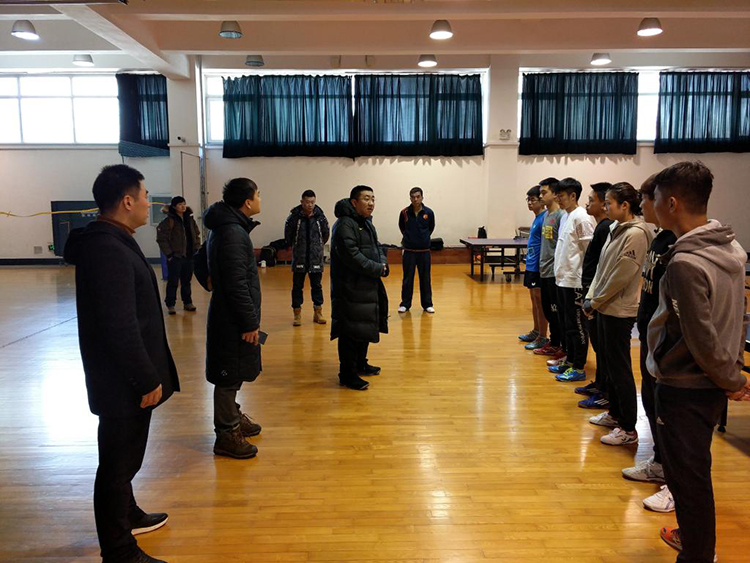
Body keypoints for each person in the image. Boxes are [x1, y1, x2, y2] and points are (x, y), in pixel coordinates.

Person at [64, 164, 179, 563]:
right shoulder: (106, 249)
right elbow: (119, 325)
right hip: (121, 382)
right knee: (115, 467)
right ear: (127, 201)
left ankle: (128, 514)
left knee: (123, 460)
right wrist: (145, 377)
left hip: (122, 379)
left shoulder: (113, 240)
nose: (150, 203)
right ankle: (118, 550)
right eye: (146, 196)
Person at [646, 161, 750, 562]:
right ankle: (694, 541)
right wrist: (731, 372)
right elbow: (737, 318)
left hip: (685, 387)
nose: (651, 205)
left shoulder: (684, 264)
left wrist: (731, 378)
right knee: (693, 472)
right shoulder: (731, 249)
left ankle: (698, 553)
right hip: (711, 383)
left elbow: (700, 336)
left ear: (672, 203)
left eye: (655, 198)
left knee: (687, 480)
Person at [621, 174, 677, 512]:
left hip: (668, 348)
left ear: (668, 202)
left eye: (647, 199)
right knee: (652, 405)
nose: (644, 205)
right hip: (649, 336)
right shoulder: (659, 239)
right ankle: (659, 463)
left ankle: (674, 482)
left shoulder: (678, 245)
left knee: (669, 414)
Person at [584, 183, 652, 446]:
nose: (605, 207)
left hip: (619, 310)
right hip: (603, 305)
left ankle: (628, 428)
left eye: (609, 203)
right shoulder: (615, 228)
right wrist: (592, 297)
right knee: (608, 365)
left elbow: (621, 276)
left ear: (625, 205)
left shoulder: (636, 233)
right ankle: (614, 414)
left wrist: (596, 300)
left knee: (619, 368)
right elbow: (602, 269)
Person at [203, 178, 263, 460]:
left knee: (235, 369)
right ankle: (226, 434)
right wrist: (249, 323)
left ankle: (233, 417)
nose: (260, 199)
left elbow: (203, 264)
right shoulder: (232, 232)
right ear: (247, 202)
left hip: (230, 314)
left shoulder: (227, 227)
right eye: (258, 195)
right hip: (232, 319)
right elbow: (236, 283)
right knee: (228, 374)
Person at [330, 185, 389, 391]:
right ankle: (347, 373)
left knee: (364, 326)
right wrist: (377, 268)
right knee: (350, 331)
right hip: (350, 288)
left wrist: (382, 263)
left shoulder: (366, 223)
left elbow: (377, 247)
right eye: (366, 198)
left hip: (367, 284)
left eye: (373, 199)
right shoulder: (344, 224)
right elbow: (352, 256)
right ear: (354, 202)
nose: (371, 203)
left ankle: (360, 363)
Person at [551, 178, 596, 382]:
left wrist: (586, 282)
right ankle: (569, 361)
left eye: (561, 196)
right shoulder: (566, 216)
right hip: (563, 280)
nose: (558, 199)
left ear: (573, 196)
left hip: (575, 282)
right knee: (567, 324)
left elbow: (589, 252)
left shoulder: (582, 217)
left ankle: (578, 367)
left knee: (578, 326)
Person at [575, 182, 614, 409]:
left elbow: (603, 266)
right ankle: (599, 383)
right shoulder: (601, 227)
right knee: (598, 345)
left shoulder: (605, 228)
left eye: (592, 200)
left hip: (596, 296)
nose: (587, 203)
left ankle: (606, 391)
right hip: (590, 291)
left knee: (603, 347)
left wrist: (593, 297)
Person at [284, 189, 330, 326]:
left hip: (316, 258)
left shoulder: (320, 217)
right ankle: (297, 314)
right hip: (299, 257)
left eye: (312, 202)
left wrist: (317, 247)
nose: (310, 205)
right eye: (307, 202)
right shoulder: (293, 218)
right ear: (302, 202)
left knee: (317, 286)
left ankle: (318, 312)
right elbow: (288, 236)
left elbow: (326, 235)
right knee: (297, 286)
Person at [537, 178, 567, 364]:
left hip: (555, 273)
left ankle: (560, 344)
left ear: (555, 194)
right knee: (548, 310)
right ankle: (553, 341)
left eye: (544, 192)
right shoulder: (546, 215)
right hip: (544, 270)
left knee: (556, 313)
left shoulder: (562, 216)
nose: (541, 196)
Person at [156, 196, 201, 315]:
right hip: (175, 257)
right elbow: (161, 239)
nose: (183, 206)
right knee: (173, 281)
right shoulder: (169, 221)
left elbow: (196, 234)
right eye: (180, 204)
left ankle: (187, 302)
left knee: (187, 281)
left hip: (189, 256)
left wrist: (196, 248)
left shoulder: (190, 220)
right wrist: (169, 254)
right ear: (174, 206)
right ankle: (170, 304)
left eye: (184, 203)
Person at [518, 185, 548, 350]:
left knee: (540, 301)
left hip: (538, 266)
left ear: (541, 201)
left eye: (533, 200)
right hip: (531, 264)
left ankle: (543, 336)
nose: (529, 203)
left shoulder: (545, 218)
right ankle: (536, 331)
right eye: (528, 200)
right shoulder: (537, 218)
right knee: (534, 300)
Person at [398, 187, 436, 314]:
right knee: (407, 279)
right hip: (409, 251)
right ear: (410, 198)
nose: (415, 199)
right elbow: (402, 227)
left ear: (422, 197)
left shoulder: (429, 212)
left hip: (424, 251)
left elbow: (431, 228)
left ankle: (427, 304)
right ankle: (405, 304)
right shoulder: (404, 212)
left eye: (418, 197)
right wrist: (410, 238)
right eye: (413, 197)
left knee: (425, 279)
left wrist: (422, 238)